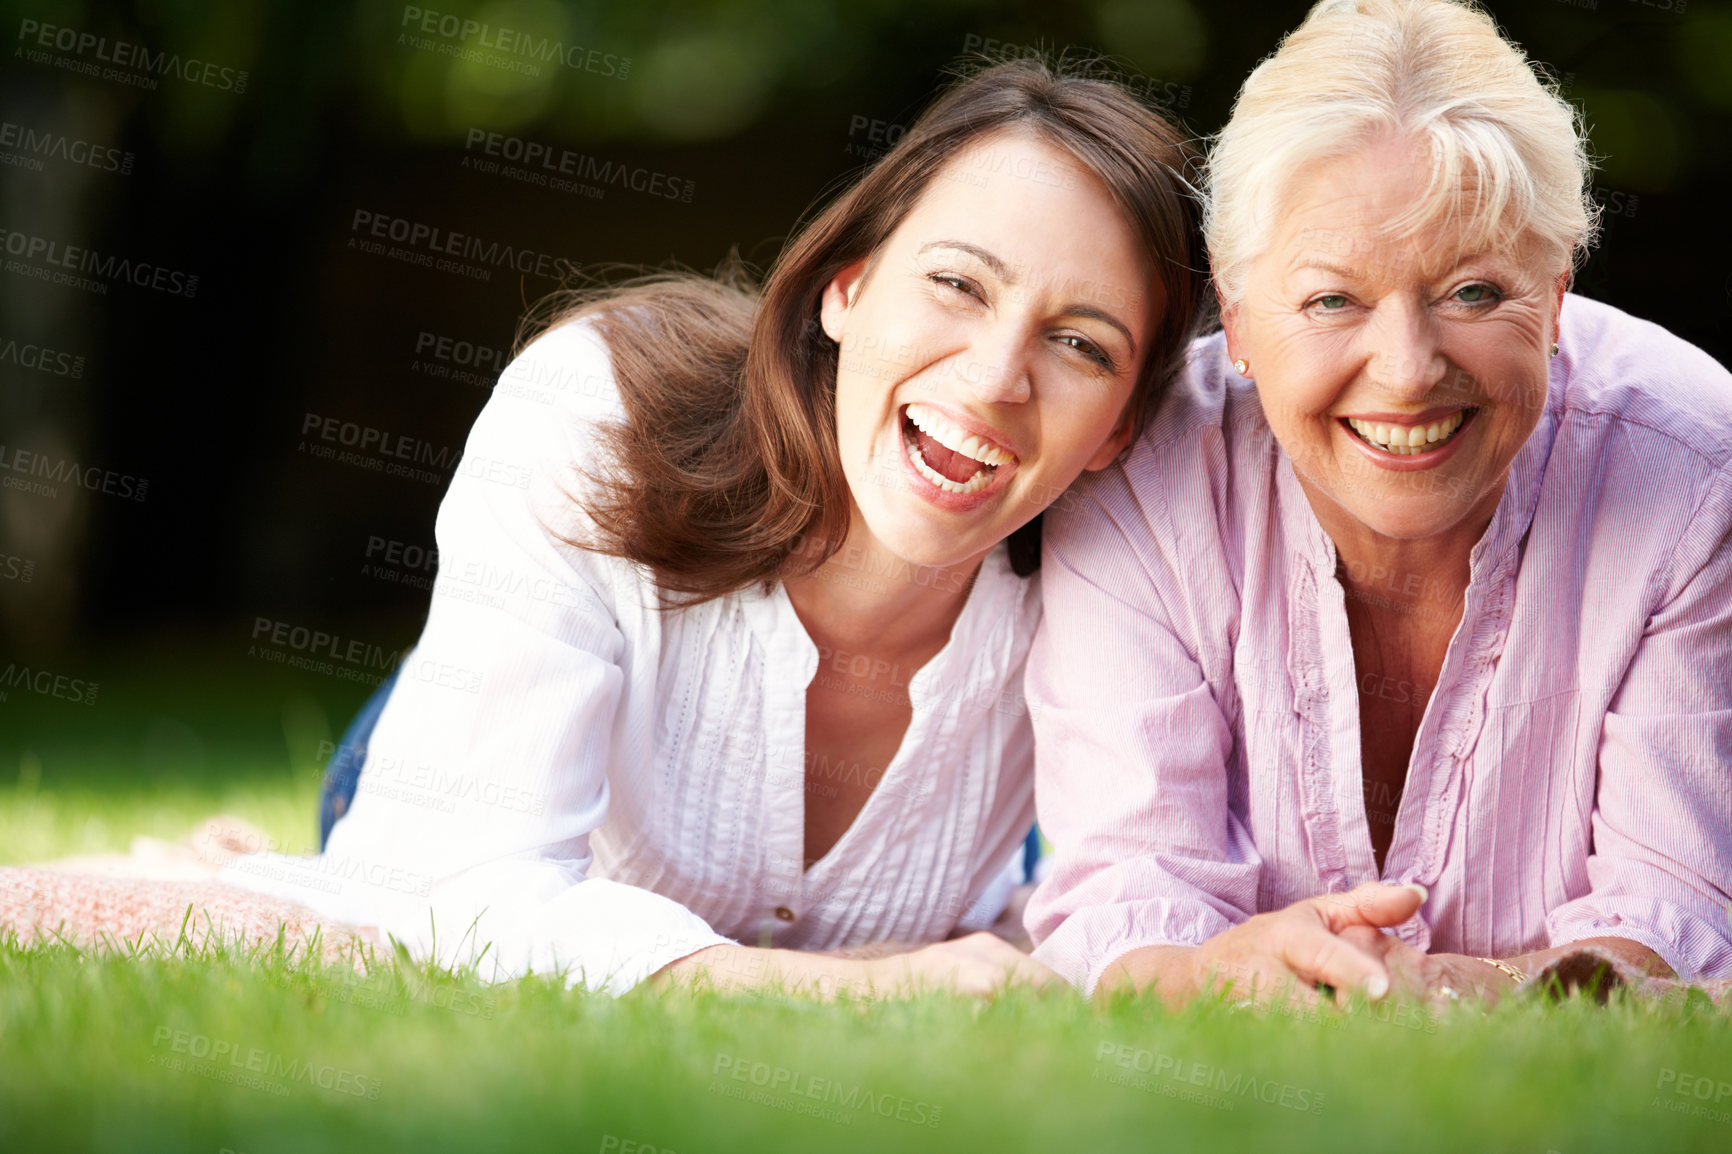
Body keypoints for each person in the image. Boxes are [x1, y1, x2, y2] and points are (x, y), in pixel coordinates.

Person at [216, 58, 1207, 997]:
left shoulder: (1127, 574)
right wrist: (845, 988)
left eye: (1079, 341)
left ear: (1120, 424)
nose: (995, 378)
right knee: (383, 853)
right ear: (846, 286)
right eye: (956, 283)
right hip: (514, 718)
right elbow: (454, 890)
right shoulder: (597, 410)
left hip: (998, 846)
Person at [1026, 0, 1732, 1006]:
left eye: (1475, 293)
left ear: (1557, 296)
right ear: (1236, 317)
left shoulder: (1696, 466)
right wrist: (1207, 976)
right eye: (1330, 300)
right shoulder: (1144, 467)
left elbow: (1675, 916)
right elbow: (1127, 895)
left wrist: (1415, 992)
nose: (1404, 372)